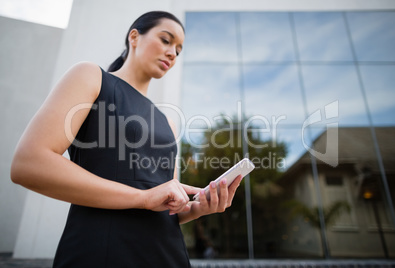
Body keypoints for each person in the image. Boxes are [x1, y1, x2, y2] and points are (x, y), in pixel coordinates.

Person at [10, 11, 243, 267]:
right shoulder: (91, 77)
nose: (173, 53)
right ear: (134, 37)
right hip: (103, 250)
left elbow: (167, 204)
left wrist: (200, 207)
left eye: (179, 49)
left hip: (167, 254)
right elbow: (28, 163)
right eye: (166, 40)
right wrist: (141, 198)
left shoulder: (168, 122)